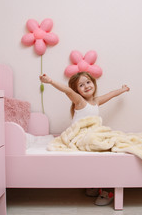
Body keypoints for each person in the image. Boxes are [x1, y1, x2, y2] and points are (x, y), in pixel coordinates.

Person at [39, 71, 130, 205]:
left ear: (93, 83)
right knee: (98, 143)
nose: (86, 86)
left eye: (88, 82)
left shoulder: (96, 101)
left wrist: (122, 90)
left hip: (92, 134)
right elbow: (66, 90)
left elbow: (110, 95)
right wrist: (51, 81)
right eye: (81, 85)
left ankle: (95, 185)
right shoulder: (79, 101)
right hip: (80, 135)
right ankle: (100, 186)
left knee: (108, 138)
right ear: (77, 91)